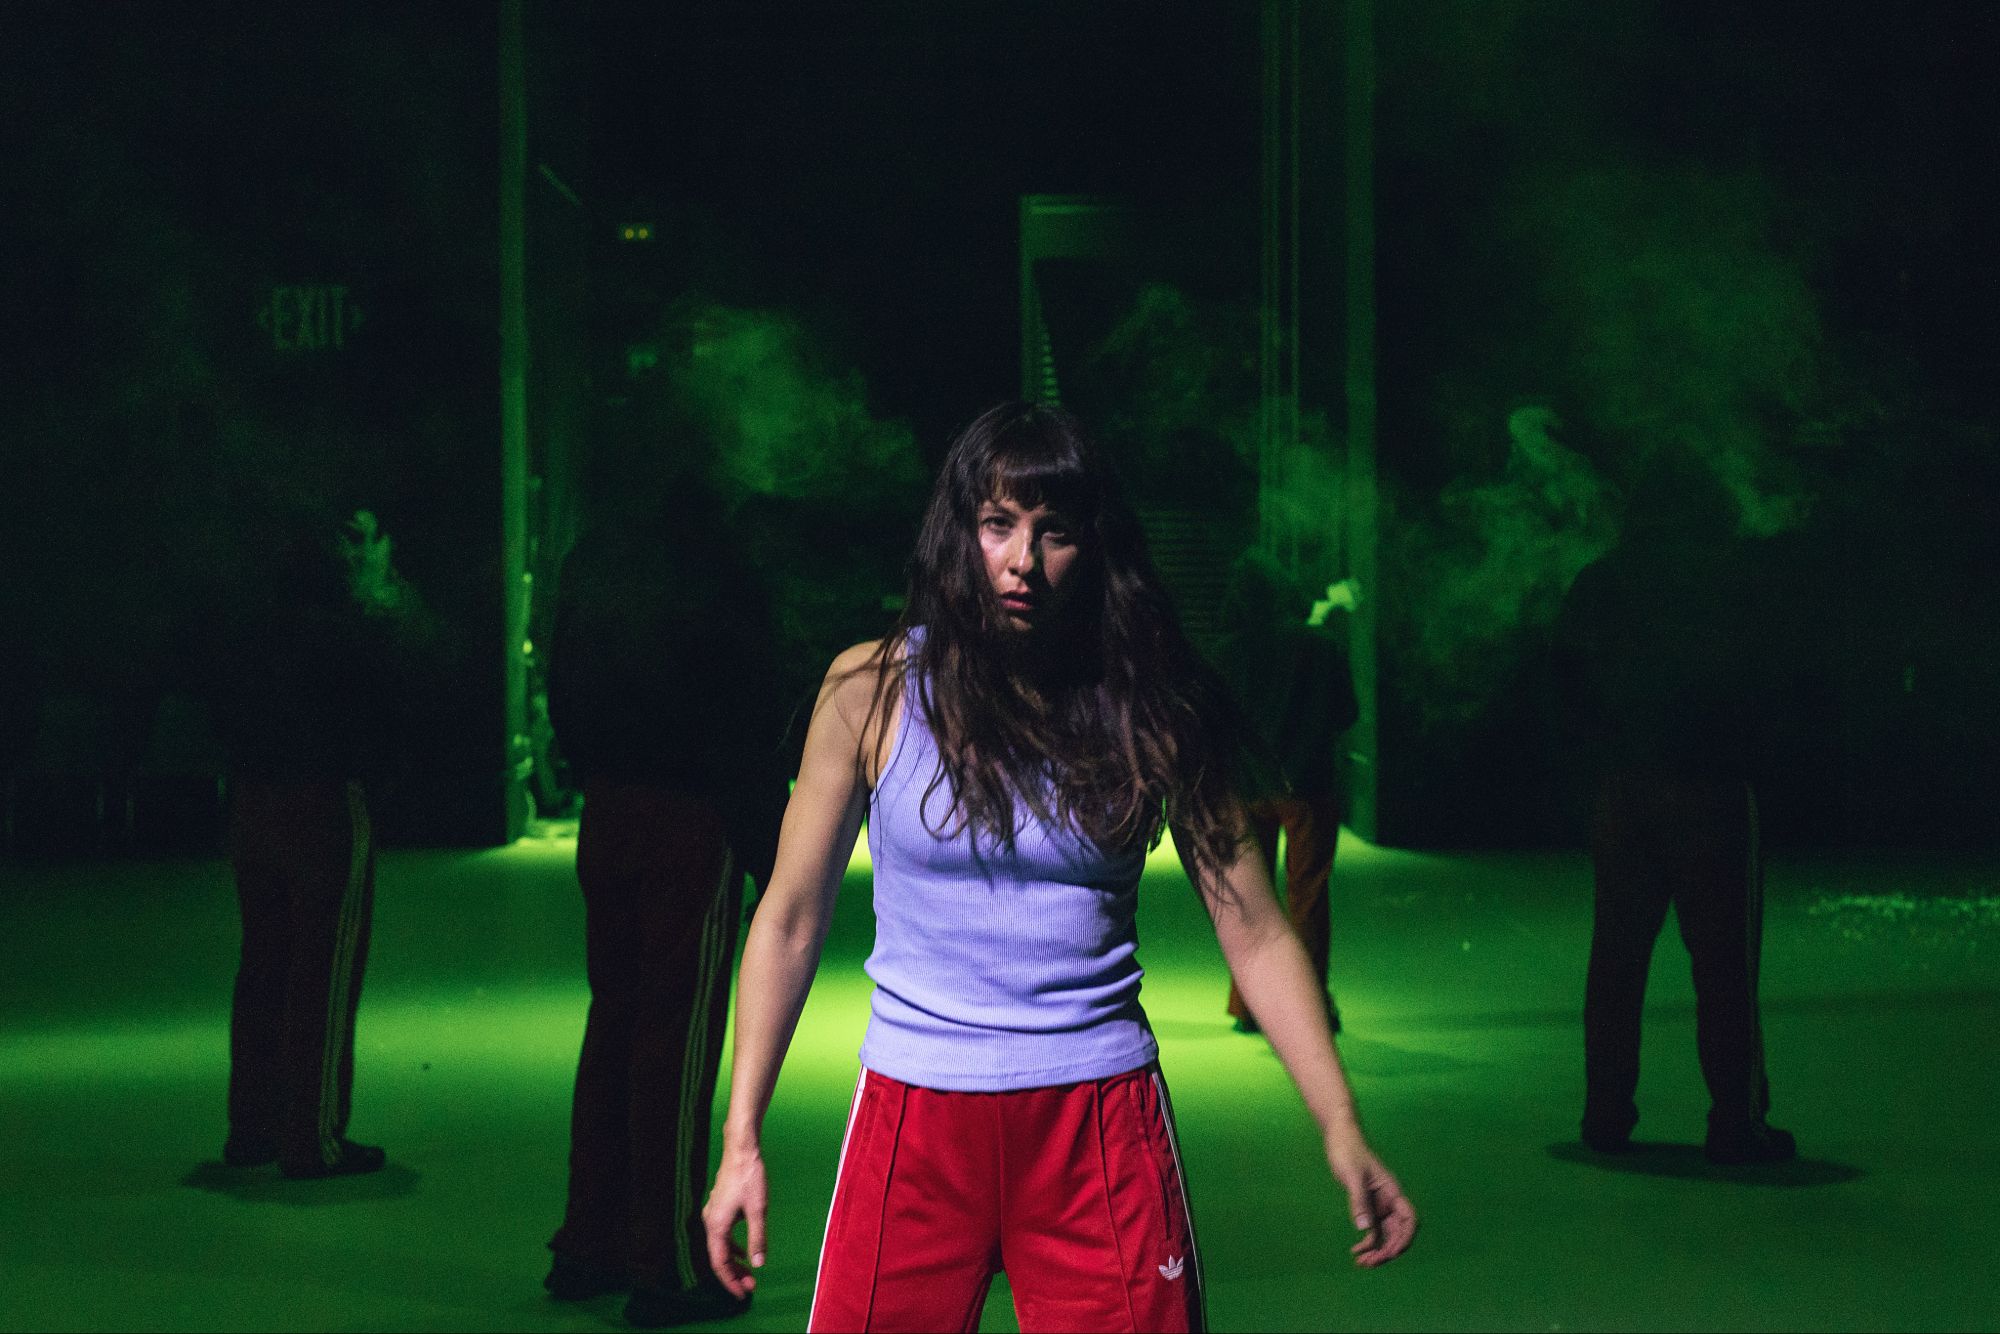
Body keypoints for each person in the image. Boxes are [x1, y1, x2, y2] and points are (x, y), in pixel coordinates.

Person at [700, 402, 1416, 1332]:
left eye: (1054, 533)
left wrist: (1341, 1123)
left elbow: (1256, 928)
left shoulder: (1152, 707)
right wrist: (740, 1136)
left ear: (1095, 547)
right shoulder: (867, 693)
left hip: (1097, 1123)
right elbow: (789, 919)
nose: (1022, 561)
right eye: (997, 526)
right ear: (960, 534)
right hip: (916, 1118)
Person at [542, 476, 794, 1329]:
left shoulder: (598, 558)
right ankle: (671, 1260)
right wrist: (772, 852)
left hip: (608, 807)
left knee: (613, 1021)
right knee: (676, 1039)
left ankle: (590, 1240)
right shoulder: (720, 569)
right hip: (694, 814)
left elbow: (562, 679)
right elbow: (751, 713)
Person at [1551, 452, 1797, 1165]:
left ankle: (1605, 1113)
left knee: (1617, 960)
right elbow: (1771, 680)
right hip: (1711, 787)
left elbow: (1563, 676)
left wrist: (1595, 755)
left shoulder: (1603, 580)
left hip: (1623, 789)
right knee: (1724, 965)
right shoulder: (1731, 580)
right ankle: (1734, 1119)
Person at [211, 507, 417, 1178]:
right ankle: (313, 1137)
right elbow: (391, 721)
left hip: (253, 800)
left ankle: (253, 1127)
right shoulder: (351, 635)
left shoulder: (249, 631)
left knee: (263, 963)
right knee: (322, 973)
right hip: (325, 801)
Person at [1211, 552, 1359, 1037]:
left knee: (1250, 899)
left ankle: (1250, 1005)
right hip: (1308, 787)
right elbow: (1346, 715)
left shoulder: (1226, 653)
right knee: (1308, 896)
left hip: (1246, 788)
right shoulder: (1321, 648)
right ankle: (1311, 1004)